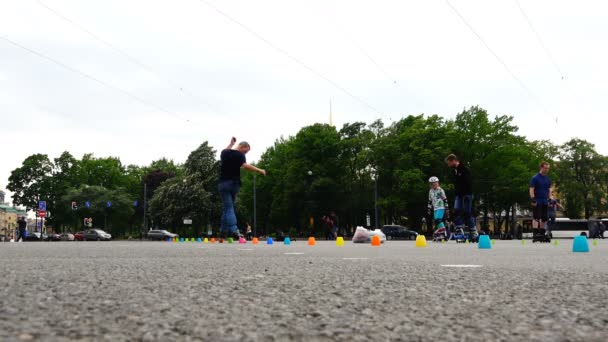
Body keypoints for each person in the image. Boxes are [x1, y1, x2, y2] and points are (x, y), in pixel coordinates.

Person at [219, 137, 266, 239]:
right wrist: (259, 170)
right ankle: (233, 230)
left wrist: (231, 144)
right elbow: (245, 166)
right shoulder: (239, 155)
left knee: (227, 207)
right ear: (242, 146)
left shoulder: (224, 153)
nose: (245, 153)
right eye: (246, 151)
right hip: (234, 184)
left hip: (223, 184)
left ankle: (223, 231)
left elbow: (226, 150)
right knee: (229, 207)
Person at [445, 154, 477, 235]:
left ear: (454, 161)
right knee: (456, 211)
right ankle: (459, 228)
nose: (448, 165)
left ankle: (473, 230)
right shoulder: (455, 171)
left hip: (467, 194)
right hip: (459, 195)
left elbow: (469, 183)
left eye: (449, 163)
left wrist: (467, 194)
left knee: (467, 212)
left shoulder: (464, 169)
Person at [529, 161, 551, 232]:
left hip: (545, 200)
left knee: (545, 218)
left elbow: (549, 190)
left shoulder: (548, 179)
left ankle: (542, 232)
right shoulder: (535, 178)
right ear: (541, 167)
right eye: (545, 168)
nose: (547, 170)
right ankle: (535, 233)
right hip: (537, 200)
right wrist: (533, 199)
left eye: (548, 168)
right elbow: (531, 189)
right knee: (536, 217)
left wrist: (550, 199)